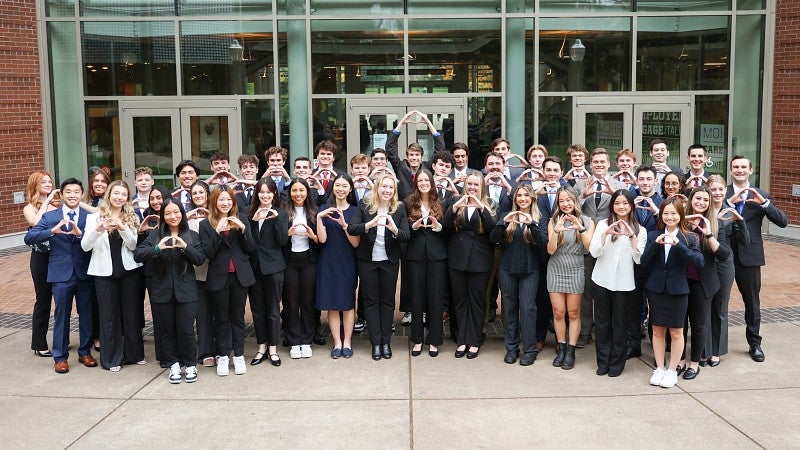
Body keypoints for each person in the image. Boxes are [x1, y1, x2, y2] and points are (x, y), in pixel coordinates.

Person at [24, 178, 96, 374]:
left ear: (81, 195)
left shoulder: (88, 217)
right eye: (68, 192)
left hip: (84, 273)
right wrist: (52, 231)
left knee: (86, 315)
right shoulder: (51, 216)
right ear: (61, 195)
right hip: (60, 273)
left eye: (76, 192)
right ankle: (60, 357)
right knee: (62, 316)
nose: (72, 195)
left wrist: (80, 234)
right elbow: (29, 237)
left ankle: (84, 351)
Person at [134, 197, 206, 384]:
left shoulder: (191, 235)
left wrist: (184, 247)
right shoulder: (155, 235)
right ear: (162, 215)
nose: (172, 216)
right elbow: (139, 254)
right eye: (167, 213)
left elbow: (199, 259)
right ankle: (173, 364)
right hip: (162, 291)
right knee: (167, 331)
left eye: (176, 212)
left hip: (187, 291)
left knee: (186, 330)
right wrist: (158, 248)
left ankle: (190, 364)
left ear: (182, 214)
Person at [724, 155, 788, 362]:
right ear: (731, 170)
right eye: (736, 167)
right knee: (717, 301)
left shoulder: (761, 194)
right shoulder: (722, 192)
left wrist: (765, 203)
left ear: (751, 170)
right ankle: (715, 344)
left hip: (750, 256)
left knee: (752, 302)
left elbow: (783, 222)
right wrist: (727, 202)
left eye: (743, 167)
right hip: (722, 254)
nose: (739, 170)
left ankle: (754, 343)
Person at [81, 180, 145, 371]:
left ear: (127, 197)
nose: (119, 197)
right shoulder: (95, 218)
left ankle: (134, 354)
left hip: (130, 271)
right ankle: (112, 360)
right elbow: (85, 246)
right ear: (109, 195)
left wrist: (123, 228)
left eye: (123, 194)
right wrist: (99, 229)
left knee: (131, 314)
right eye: (116, 193)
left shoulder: (131, 216)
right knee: (108, 316)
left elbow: (134, 246)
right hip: (103, 273)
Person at [641, 197, 704, 389]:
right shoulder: (653, 235)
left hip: (678, 289)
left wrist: (680, 246)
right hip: (656, 289)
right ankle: (659, 368)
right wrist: (655, 245)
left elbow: (699, 262)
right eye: (666, 213)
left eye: (674, 213)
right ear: (661, 215)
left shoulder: (690, 237)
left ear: (680, 215)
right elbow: (643, 262)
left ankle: (672, 369)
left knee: (677, 332)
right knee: (657, 330)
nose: (669, 217)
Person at [348, 174, 410, 360]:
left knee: (387, 301)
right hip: (368, 262)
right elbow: (352, 228)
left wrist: (394, 229)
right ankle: (375, 343)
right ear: (377, 188)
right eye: (384, 187)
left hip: (389, 262)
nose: (387, 190)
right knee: (371, 302)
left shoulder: (399, 208)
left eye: (391, 188)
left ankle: (386, 342)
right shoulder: (365, 205)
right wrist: (369, 224)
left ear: (394, 191)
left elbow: (406, 235)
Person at [588, 189, 646, 377]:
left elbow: (638, 259)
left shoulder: (640, 230)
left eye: (625, 203)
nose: (621, 207)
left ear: (631, 206)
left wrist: (631, 237)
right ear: (612, 205)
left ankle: (616, 363)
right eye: (617, 203)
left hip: (623, 283)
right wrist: (605, 234)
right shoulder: (603, 224)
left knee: (620, 324)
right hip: (601, 280)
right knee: (603, 323)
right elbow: (594, 252)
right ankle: (602, 361)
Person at [199, 185, 256, 376]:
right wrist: (217, 231)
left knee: (238, 318)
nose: (225, 203)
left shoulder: (242, 219)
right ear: (214, 201)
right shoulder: (206, 224)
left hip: (240, 276)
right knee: (221, 319)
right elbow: (207, 253)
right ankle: (223, 356)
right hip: (218, 276)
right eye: (221, 200)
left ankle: (238, 356)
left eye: (229, 200)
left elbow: (250, 248)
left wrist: (242, 229)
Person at [573, 148, 626, 348]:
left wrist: (614, 195)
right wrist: (582, 196)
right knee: (586, 290)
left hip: (609, 246)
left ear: (609, 163)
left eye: (602, 162)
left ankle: (609, 329)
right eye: (595, 162)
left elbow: (624, 210)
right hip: (586, 244)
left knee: (609, 288)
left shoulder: (619, 185)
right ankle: (585, 331)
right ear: (590, 164)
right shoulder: (579, 184)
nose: (599, 165)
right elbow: (571, 208)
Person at [490, 184, 547, 366]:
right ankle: (512, 348)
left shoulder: (540, 217)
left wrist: (531, 223)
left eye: (525, 196)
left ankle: (530, 349)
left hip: (530, 270)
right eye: (519, 196)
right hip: (507, 269)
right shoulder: (507, 216)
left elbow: (544, 244)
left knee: (528, 309)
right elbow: (493, 239)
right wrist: (503, 221)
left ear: (532, 198)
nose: (522, 199)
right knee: (508, 308)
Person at [443, 173, 496, 359]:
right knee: (459, 301)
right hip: (457, 258)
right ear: (464, 185)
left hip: (480, 261)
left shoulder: (489, 203)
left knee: (477, 302)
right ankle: (462, 340)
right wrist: (455, 207)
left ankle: (474, 341)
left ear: (482, 186)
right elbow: (445, 225)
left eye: (476, 184)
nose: (472, 187)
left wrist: (481, 207)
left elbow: (493, 229)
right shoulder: (456, 201)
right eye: (469, 184)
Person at [679, 186, 730, 380]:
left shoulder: (715, 223)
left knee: (699, 324)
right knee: (680, 324)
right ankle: (680, 360)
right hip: (680, 280)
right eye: (697, 198)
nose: (701, 202)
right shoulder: (681, 220)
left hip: (702, 282)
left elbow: (724, 255)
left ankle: (694, 364)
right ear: (691, 199)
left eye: (705, 200)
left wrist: (708, 234)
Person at [546, 186, 594, 370]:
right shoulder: (553, 221)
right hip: (556, 267)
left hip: (576, 267)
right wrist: (557, 230)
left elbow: (589, 248)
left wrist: (580, 228)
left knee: (573, 312)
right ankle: (562, 346)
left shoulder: (587, 221)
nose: (565, 204)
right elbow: (550, 250)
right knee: (558, 312)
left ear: (575, 201)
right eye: (562, 200)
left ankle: (571, 349)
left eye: (569, 200)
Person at [704, 174, 750, 366]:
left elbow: (745, 240)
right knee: (704, 307)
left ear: (725, 191)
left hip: (724, 264)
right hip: (705, 263)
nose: (717, 193)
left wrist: (740, 220)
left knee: (720, 307)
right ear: (708, 190)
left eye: (720, 189)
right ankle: (703, 349)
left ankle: (717, 350)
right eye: (713, 189)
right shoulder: (703, 211)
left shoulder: (730, 213)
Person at [404, 169, 447, 358]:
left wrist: (437, 226)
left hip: (437, 256)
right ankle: (417, 340)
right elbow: (403, 229)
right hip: (415, 256)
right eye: (420, 180)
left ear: (431, 182)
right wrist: (415, 225)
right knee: (416, 298)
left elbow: (448, 231)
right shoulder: (408, 202)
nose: (423, 183)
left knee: (435, 298)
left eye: (426, 180)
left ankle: (434, 340)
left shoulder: (441, 202)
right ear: (416, 183)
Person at [316, 175, 360, 359]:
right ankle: (337, 343)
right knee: (332, 304)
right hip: (327, 261)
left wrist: (344, 225)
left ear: (350, 189)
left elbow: (356, 243)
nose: (341, 189)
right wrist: (319, 218)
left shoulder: (356, 211)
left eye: (345, 186)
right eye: (338, 185)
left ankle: (347, 341)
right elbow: (322, 239)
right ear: (333, 188)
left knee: (348, 303)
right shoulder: (324, 209)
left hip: (347, 261)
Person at [248, 178, 289, 366]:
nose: (265, 195)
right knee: (257, 310)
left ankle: (273, 349)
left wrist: (276, 219)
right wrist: (253, 221)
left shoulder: (280, 213)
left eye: (268, 192)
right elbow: (246, 243)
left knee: (273, 310)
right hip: (254, 268)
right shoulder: (248, 213)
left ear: (274, 194)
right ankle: (261, 347)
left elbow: (282, 241)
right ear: (257, 193)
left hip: (273, 268)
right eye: (261, 192)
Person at [282, 178, 320, 359]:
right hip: (289, 260)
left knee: (307, 301)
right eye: (294, 190)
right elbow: (277, 240)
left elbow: (321, 241)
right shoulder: (283, 212)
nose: (298, 194)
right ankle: (293, 340)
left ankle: (306, 340)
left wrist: (312, 236)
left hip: (309, 260)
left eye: (302, 190)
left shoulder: (314, 211)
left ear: (307, 192)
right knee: (290, 302)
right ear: (289, 193)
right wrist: (286, 234)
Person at [23, 170, 59, 357]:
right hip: (41, 259)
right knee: (43, 300)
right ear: (35, 185)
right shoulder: (30, 207)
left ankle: (61, 341)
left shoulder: (56, 205)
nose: (48, 184)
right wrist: (47, 202)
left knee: (62, 300)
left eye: (49, 181)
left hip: (58, 257)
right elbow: (36, 223)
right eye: (43, 182)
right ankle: (39, 343)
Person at [186, 181, 216, 368]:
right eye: (194, 193)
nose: (198, 196)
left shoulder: (217, 214)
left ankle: (222, 349)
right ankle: (205, 351)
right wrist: (187, 216)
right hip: (198, 273)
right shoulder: (187, 219)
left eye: (201, 192)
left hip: (218, 270)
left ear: (207, 194)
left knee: (221, 313)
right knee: (203, 314)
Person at [386, 109, 445, 199]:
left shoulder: (427, 168)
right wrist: (401, 123)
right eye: (411, 155)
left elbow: (440, 148)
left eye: (417, 155)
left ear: (421, 157)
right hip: (404, 207)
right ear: (407, 156)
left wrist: (429, 123)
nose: (414, 158)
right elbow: (390, 148)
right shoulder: (400, 167)